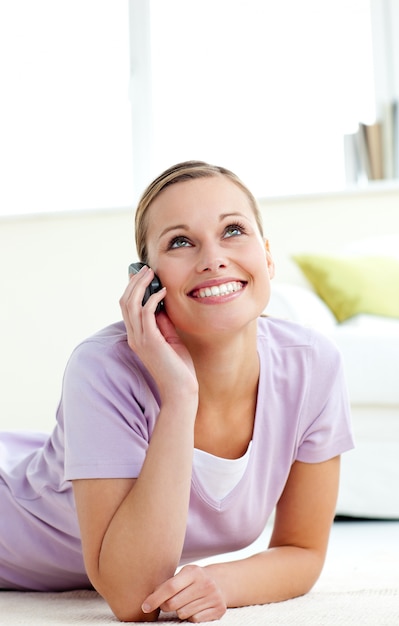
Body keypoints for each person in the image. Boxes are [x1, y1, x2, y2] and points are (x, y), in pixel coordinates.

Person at [0, 160, 354, 623]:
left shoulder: (312, 365)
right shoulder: (103, 367)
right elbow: (134, 597)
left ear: (267, 257)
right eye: (181, 241)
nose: (213, 258)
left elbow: (302, 550)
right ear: (146, 280)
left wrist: (220, 584)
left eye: (232, 231)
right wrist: (180, 394)